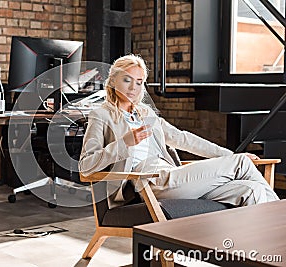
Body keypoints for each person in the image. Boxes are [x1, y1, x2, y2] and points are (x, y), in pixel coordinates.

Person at [78, 54, 279, 209]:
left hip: (173, 175)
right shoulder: (101, 115)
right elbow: (85, 166)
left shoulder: (145, 113)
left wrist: (230, 156)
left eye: (139, 82)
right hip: (150, 182)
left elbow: (184, 139)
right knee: (241, 162)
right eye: (127, 80)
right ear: (113, 81)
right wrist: (124, 143)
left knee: (253, 190)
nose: (134, 87)